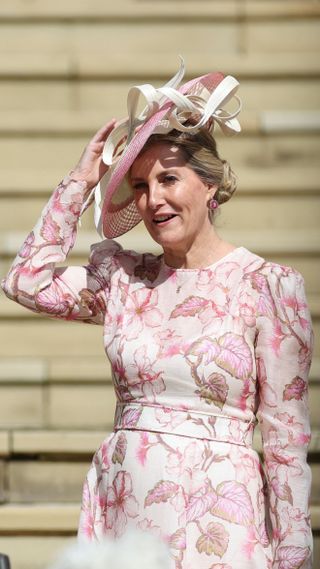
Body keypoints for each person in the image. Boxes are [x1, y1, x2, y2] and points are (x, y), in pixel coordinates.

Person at [1, 62, 313, 568]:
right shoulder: (123, 279)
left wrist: (293, 554)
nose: (154, 199)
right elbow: (26, 281)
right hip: (128, 513)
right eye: (141, 186)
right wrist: (81, 181)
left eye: (169, 178)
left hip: (222, 522)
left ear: (210, 186)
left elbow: (285, 440)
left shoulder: (269, 287)